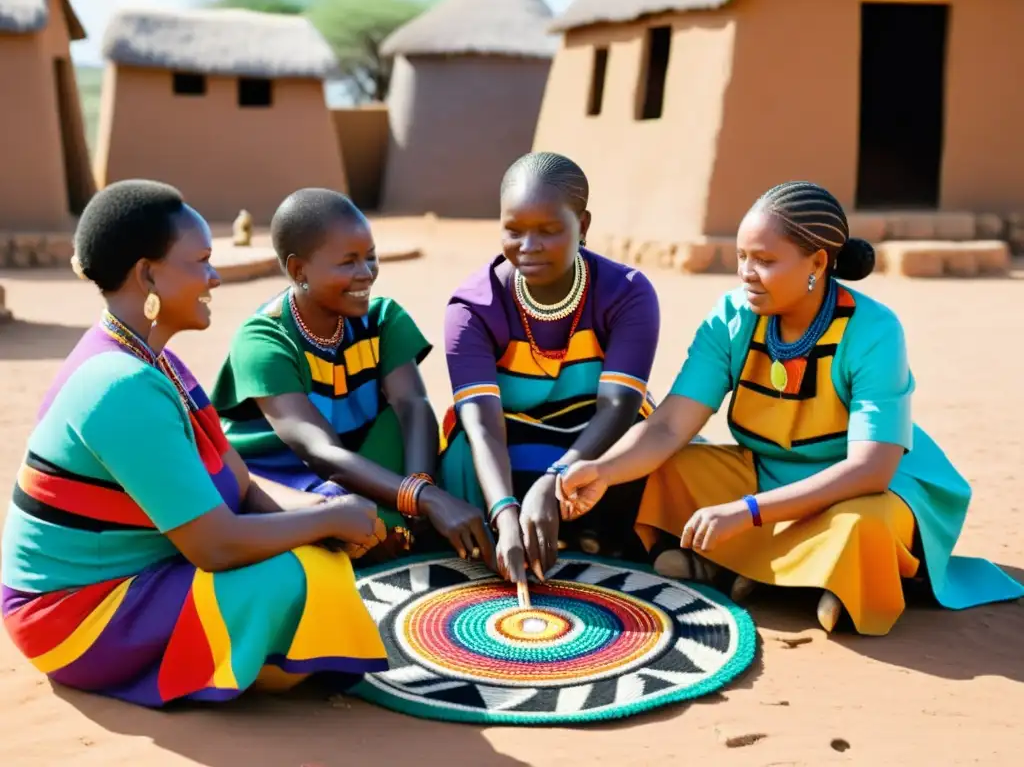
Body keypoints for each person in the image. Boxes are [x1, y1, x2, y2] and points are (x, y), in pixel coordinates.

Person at [558, 180, 1024, 635]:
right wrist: (603, 470)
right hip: (766, 472)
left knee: (866, 527)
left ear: (817, 263)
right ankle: (793, 574)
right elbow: (669, 426)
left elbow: (871, 469)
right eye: (741, 257)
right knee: (664, 468)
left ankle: (742, 565)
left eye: (764, 260)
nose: (746, 272)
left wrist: (748, 512)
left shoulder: (874, 331)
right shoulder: (732, 317)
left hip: (861, 485)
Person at [1, 181, 389, 708]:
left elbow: (242, 482)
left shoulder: (155, 359)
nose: (214, 277)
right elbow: (215, 546)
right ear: (147, 274)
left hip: (149, 573)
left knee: (319, 551)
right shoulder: (120, 384)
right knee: (291, 577)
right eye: (202, 261)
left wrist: (329, 510)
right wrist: (326, 521)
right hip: (77, 614)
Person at [209, 189, 494, 567]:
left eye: (370, 257)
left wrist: (418, 486)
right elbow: (319, 453)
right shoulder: (263, 339)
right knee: (342, 518)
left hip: (359, 459)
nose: (366, 273)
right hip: (288, 473)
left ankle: (397, 524)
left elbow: (412, 407)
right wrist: (426, 499)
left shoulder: (381, 318)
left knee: (425, 438)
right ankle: (381, 532)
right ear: (299, 271)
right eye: (348, 262)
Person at [438, 152, 661, 583]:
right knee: (465, 458)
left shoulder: (627, 293)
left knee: (650, 451)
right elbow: (483, 426)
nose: (527, 247)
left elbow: (618, 407)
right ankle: (546, 535)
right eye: (513, 230)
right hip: (505, 445)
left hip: (595, 442)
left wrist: (556, 480)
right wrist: (504, 513)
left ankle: (599, 535)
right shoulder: (472, 308)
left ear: (584, 225)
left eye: (549, 230)